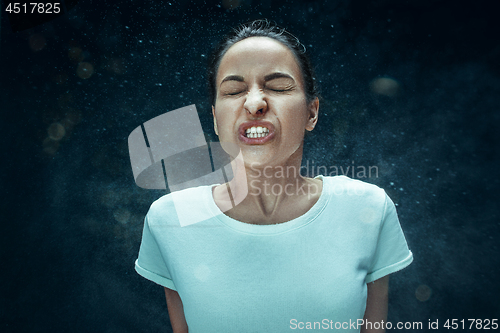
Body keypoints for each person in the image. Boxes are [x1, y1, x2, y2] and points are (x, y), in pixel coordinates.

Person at [134, 19, 413, 333]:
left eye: (278, 87)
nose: (254, 103)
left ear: (312, 112)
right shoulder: (171, 219)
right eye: (233, 90)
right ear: (214, 119)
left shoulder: (368, 209)